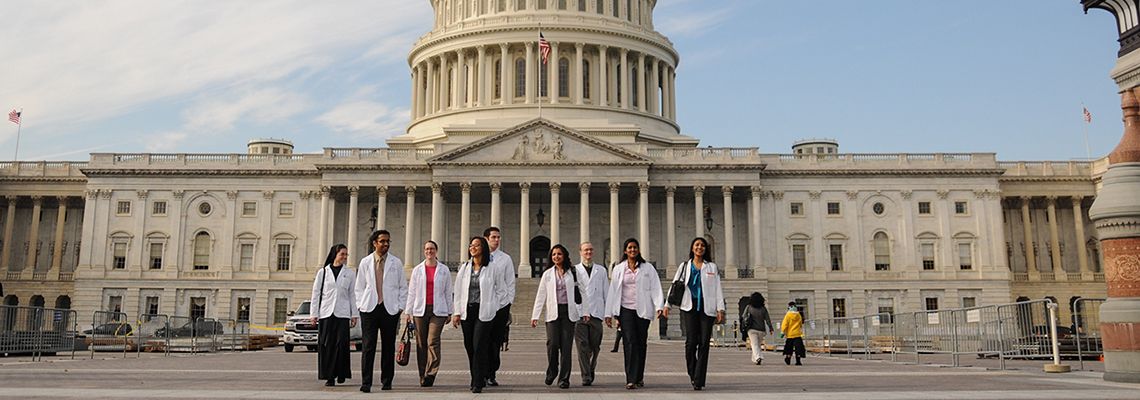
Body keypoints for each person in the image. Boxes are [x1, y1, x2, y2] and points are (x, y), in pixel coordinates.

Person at [664, 237, 726, 391]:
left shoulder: (711, 267)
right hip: (689, 307)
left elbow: (717, 288)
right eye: (697, 245)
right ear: (692, 248)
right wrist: (667, 305)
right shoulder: (684, 266)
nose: (700, 247)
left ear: (706, 249)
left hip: (707, 308)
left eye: (702, 245)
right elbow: (674, 285)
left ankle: (699, 379)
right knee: (691, 343)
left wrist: (720, 309)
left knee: (704, 343)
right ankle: (693, 373)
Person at [604, 238, 664, 390]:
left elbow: (655, 287)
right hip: (625, 310)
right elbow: (613, 290)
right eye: (630, 248)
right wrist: (608, 313)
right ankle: (631, 378)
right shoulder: (618, 269)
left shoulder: (648, 268)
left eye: (635, 247)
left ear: (638, 250)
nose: (632, 250)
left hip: (643, 309)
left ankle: (639, 377)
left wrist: (659, 306)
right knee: (629, 342)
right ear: (625, 250)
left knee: (641, 343)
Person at [531, 244, 592, 389]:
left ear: (564, 256)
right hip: (553, 312)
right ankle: (552, 370)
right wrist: (535, 315)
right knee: (552, 344)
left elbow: (583, 292)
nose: (556, 257)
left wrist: (585, 311)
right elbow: (541, 295)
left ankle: (564, 378)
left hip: (568, 313)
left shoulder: (573, 272)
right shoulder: (547, 274)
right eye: (553, 255)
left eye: (559, 254)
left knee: (566, 347)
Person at [354, 230, 407, 392]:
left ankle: (387, 381)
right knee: (368, 346)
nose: (386, 244)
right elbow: (359, 287)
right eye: (382, 241)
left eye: (388, 241)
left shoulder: (396, 263)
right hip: (369, 308)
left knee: (388, 346)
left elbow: (402, 287)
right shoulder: (365, 262)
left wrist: (399, 307)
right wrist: (360, 305)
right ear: (374, 243)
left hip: (389, 309)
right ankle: (366, 382)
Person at [453, 236, 500, 394]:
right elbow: (458, 291)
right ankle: (476, 376)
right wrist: (457, 312)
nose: (472, 248)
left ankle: (477, 382)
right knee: (469, 346)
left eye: (476, 245)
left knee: (479, 345)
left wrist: (494, 306)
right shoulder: (464, 267)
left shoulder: (492, 268)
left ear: (483, 249)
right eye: (471, 245)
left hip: (484, 311)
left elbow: (502, 290)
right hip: (468, 311)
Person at [404, 240, 453, 387]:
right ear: (424, 251)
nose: (429, 251)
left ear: (436, 251)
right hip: (420, 310)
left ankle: (431, 373)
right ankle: (422, 374)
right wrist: (408, 311)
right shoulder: (417, 270)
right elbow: (412, 292)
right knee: (421, 343)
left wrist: (450, 311)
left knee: (433, 341)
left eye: (432, 249)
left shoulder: (444, 270)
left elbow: (447, 291)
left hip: (438, 310)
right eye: (427, 249)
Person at [310, 244, 359, 387]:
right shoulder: (323, 272)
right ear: (335, 254)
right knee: (327, 344)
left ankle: (342, 373)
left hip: (342, 313)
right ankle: (329, 376)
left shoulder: (349, 273)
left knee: (342, 344)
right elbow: (316, 293)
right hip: (326, 313)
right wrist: (314, 314)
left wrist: (354, 314)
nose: (344, 257)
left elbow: (352, 295)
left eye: (346, 254)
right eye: (342, 254)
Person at [484, 227, 515, 387]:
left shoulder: (505, 259)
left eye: (498, 237)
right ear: (486, 239)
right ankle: (481, 372)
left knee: (496, 341)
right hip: (482, 306)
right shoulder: (478, 257)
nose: (497, 240)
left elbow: (510, 282)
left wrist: (507, 303)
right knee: (482, 340)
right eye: (494, 237)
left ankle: (491, 373)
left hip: (500, 306)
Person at [574, 242, 608, 386]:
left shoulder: (601, 270)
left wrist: (608, 313)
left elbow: (606, 291)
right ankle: (586, 375)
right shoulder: (574, 270)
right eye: (585, 250)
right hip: (579, 313)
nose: (588, 252)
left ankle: (590, 368)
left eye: (590, 250)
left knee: (595, 346)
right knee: (582, 345)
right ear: (580, 252)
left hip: (596, 313)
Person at [743, 292, 774, 365]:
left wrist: (746, 322)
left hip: (751, 329)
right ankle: (755, 359)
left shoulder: (749, 307)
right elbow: (767, 319)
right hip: (761, 329)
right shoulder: (763, 309)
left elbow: (743, 316)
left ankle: (758, 357)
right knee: (758, 345)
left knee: (754, 344)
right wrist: (770, 328)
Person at [781, 301, 805, 366]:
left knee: (789, 347)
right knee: (798, 348)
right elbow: (800, 324)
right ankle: (798, 361)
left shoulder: (788, 315)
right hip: (797, 334)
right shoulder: (798, 315)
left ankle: (788, 357)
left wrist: (782, 332)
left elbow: (785, 324)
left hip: (790, 335)